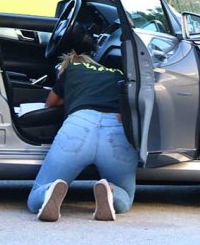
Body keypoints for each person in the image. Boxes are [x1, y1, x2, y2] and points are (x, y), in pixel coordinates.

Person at [27, 51, 138, 222]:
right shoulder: (119, 74)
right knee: (125, 198)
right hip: (117, 128)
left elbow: (51, 104)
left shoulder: (71, 70)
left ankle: (50, 189)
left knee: (35, 198)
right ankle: (110, 191)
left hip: (79, 124)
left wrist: (73, 95)